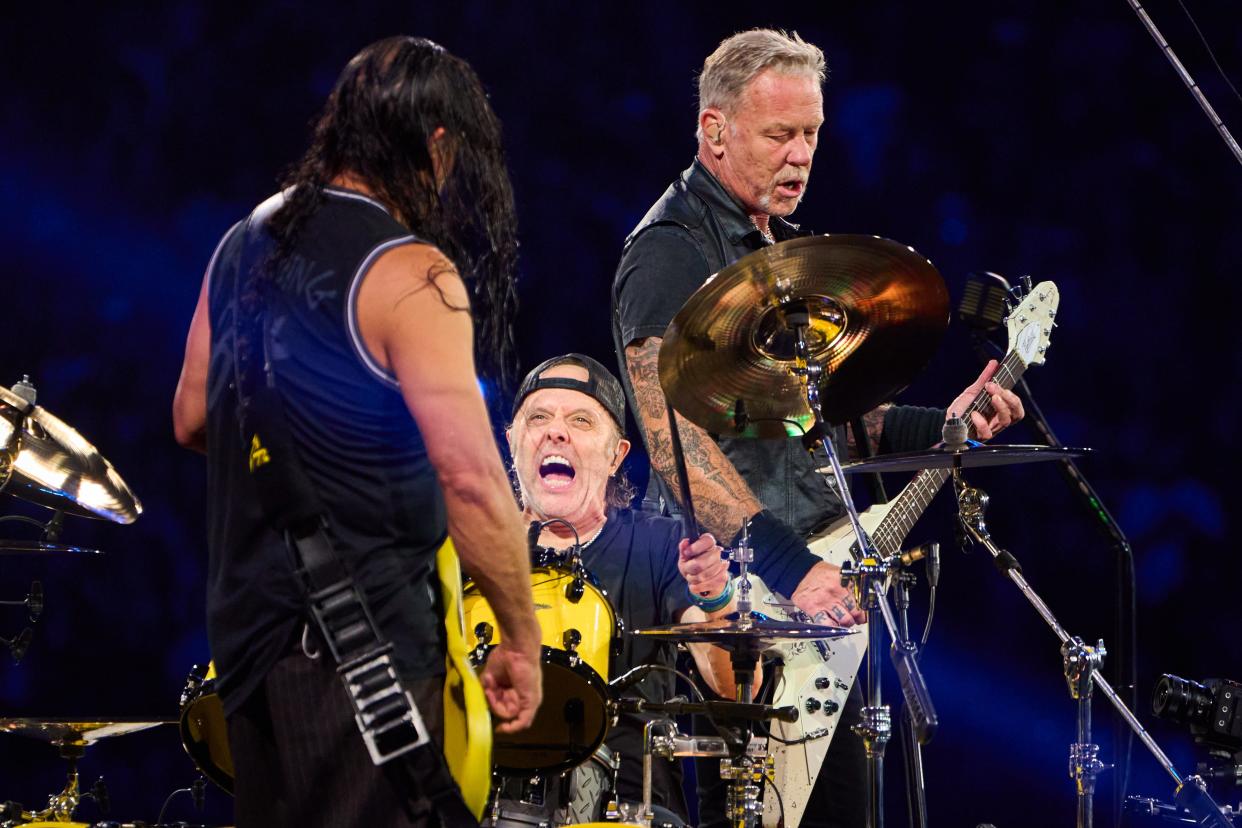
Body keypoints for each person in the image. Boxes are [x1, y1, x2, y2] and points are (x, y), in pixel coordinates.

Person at [611, 29, 1024, 826]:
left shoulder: (791, 253)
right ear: (715, 131)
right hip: (737, 601)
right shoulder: (668, 252)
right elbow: (673, 443)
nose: (800, 155)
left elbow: (835, 422)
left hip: (825, 590)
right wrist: (790, 565)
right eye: (779, 135)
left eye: (811, 135)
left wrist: (943, 424)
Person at [172, 37, 541, 827]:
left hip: (247, 650)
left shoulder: (239, 247)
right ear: (436, 145)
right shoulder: (411, 270)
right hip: (361, 648)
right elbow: (471, 478)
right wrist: (521, 637)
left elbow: (194, 417)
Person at [505, 353, 742, 825]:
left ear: (617, 456)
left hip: (632, 807)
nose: (556, 432)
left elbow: (731, 689)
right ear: (511, 442)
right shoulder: (465, 551)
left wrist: (715, 597)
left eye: (580, 420)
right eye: (538, 418)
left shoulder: (661, 544)